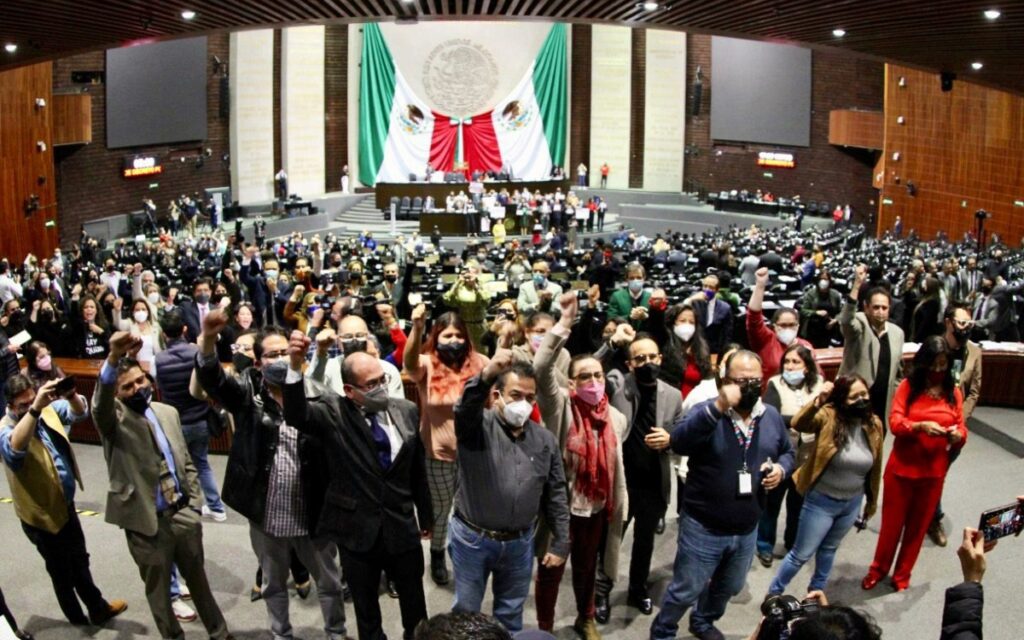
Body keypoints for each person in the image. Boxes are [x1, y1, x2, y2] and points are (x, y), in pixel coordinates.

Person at [195, 313, 348, 640]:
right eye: (272, 355)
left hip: (312, 509)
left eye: (284, 354)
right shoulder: (247, 393)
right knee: (273, 583)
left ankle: (336, 633)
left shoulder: (319, 394)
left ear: (297, 357)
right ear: (259, 361)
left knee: (330, 582)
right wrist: (208, 338)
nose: (279, 360)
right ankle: (281, 635)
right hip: (266, 508)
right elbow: (212, 380)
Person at [283, 340, 432, 640]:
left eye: (383, 380)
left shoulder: (407, 410)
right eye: (371, 384)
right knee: (367, 615)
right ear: (350, 391)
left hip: (402, 527)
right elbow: (297, 415)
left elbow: (417, 470)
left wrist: (426, 516)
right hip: (357, 533)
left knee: (416, 609)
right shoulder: (333, 413)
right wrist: (294, 367)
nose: (380, 388)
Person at [92, 332, 231, 640]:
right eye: (127, 386)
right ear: (117, 393)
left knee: (200, 583)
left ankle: (219, 633)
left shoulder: (167, 412)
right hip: (146, 522)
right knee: (159, 593)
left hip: (183, 514)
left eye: (140, 381)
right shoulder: (113, 419)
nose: (137, 388)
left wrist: (194, 504)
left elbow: (187, 461)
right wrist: (113, 359)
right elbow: (99, 404)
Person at [651, 350, 794, 640]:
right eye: (742, 381)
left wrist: (781, 468)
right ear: (724, 381)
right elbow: (680, 441)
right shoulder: (706, 411)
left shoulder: (770, 416)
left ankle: (703, 620)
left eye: (756, 380)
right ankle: (664, 630)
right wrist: (718, 406)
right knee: (686, 589)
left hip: (746, 527)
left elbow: (788, 452)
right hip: (704, 526)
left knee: (730, 586)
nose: (751, 386)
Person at [449, 348, 569, 633]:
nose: (524, 404)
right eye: (516, 395)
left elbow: (556, 493)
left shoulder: (544, 440)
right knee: (466, 615)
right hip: (473, 540)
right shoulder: (475, 428)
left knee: (510, 614)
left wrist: (562, 541)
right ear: (496, 396)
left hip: (519, 543)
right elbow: (465, 406)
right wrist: (487, 374)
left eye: (530, 397)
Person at [533, 293, 628, 639]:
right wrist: (563, 324)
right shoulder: (561, 408)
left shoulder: (616, 418)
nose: (592, 382)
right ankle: (544, 628)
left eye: (598, 376)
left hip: (597, 508)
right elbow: (541, 368)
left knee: (588, 569)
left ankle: (585, 617)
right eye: (584, 377)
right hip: (561, 508)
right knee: (550, 569)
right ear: (571, 383)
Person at [1, 375, 128, 628]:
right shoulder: (5, 426)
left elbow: (79, 413)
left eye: (31, 400)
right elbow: (15, 451)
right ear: (11, 406)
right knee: (61, 572)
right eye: (22, 405)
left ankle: (98, 608)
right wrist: (35, 409)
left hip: (65, 506)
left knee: (80, 559)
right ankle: (78, 621)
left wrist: (70, 395)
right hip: (40, 517)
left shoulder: (47, 410)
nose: (29, 407)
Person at [863, 335, 967, 592]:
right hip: (902, 471)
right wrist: (918, 426)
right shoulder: (908, 387)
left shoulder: (953, 393)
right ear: (924, 363)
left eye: (944, 365)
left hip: (932, 474)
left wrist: (957, 436)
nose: (939, 371)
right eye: (934, 365)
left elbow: (962, 428)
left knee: (918, 529)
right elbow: (896, 423)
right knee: (891, 528)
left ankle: (902, 575)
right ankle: (878, 570)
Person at [767, 375, 884, 596]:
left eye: (864, 394)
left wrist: (871, 502)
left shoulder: (874, 424)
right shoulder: (828, 417)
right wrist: (818, 401)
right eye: (854, 396)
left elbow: (875, 468)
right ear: (841, 399)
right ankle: (774, 593)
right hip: (821, 501)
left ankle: (816, 592)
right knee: (801, 554)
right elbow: (798, 423)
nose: (861, 400)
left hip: (851, 502)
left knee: (829, 549)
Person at [597, 334, 683, 621]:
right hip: (621, 482)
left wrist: (670, 439)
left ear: (660, 358)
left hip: (653, 482)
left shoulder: (673, 395)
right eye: (640, 358)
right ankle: (601, 592)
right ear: (629, 363)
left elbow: (681, 434)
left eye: (652, 357)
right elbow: (590, 373)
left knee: (645, 541)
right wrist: (610, 345)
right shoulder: (618, 385)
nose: (647, 363)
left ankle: (637, 589)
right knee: (611, 541)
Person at [403, 306, 489, 586]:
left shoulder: (479, 363)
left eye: (458, 335)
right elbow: (410, 364)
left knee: (472, 508)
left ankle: (468, 553)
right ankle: (438, 553)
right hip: (438, 452)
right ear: (436, 337)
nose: (453, 340)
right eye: (447, 335)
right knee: (440, 509)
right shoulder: (428, 363)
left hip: (475, 451)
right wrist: (416, 329)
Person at [154, 311, 226, 522]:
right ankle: (216, 507)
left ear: (163, 333)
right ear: (184, 329)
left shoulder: (157, 359)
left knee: (179, 467)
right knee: (202, 464)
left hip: (175, 423)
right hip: (200, 418)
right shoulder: (197, 351)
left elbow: (159, 386)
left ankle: (186, 506)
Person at [756, 344, 824, 567]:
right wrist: (803, 419)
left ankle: (792, 542)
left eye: (796, 362)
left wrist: (796, 419)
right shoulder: (775, 383)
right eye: (787, 361)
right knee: (771, 504)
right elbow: (772, 414)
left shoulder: (818, 386)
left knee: (798, 505)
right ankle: (764, 545)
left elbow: (825, 415)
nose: (790, 366)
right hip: (780, 455)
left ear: (807, 367)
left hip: (807, 457)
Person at [929, 304, 983, 547]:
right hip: (930, 422)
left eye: (969, 323)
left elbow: (974, 390)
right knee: (927, 473)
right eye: (962, 323)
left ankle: (932, 518)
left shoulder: (974, 352)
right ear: (949, 322)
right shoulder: (934, 346)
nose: (966, 328)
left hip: (955, 429)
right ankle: (928, 513)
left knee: (940, 473)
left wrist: (961, 418)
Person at [838, 265, 905, 429]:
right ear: (866, 307)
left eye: (884, 308)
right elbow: (846, 321)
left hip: (882, 406)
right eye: (876, 307)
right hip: (853, 402)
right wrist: (856, 285)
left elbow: (898, 371)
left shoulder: (897, 333)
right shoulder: (860, 323)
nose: (880, 312)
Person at [747, 268, 813, 382]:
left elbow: (816, 375)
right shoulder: (766, 341)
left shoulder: (806, 346)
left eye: (792, 324)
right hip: (771, 397)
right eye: (783, 325)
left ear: (798, 326)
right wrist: (760, 285)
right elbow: (753, 318)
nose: (788, 328)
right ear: (774, 326)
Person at [442, 263, 491, 350]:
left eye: (471, 269)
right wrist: (457, 283)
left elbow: (486, 302)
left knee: (481, 352)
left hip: (479, 326)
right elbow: (447, 301)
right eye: (466, 269)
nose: (468, 272)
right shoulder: (459, 286)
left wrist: (475, 286)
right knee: (464, 351)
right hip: (464, 325)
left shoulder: (482, 285)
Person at [685, 274, 733, 356]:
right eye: (705, 286)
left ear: (717, 290)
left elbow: (727, 336)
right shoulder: (694, 302)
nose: (707, 289)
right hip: (694, 348)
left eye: (711, 287)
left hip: (714, 352)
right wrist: (691, 300)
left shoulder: (725, 308)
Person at [798, 271, 842, 348]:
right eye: (821, 279)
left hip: (829, 329)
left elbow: (841, 312)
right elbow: (803, 311)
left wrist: (835, 320)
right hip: (812, 330)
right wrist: (816, 312)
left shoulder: (835, 294)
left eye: (825, 279)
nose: (823, 281)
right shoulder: (811, 293)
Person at [607, 262, 651, 327]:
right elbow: (611, 319)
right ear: (627, 279)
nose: (635, 281)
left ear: (644, 278)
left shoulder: (651, 297)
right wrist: (629, 317)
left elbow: (656, 323)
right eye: (632, 278)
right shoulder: (616, 296)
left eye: (639, 278)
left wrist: (646, 317)